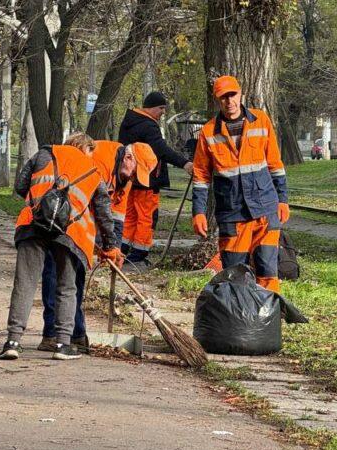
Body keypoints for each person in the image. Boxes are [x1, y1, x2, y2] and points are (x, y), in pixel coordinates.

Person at [0, 133, 122, 362]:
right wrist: (110, 246)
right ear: (85, 149)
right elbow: (104, 214)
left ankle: (13, 342)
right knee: (67, 287)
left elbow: (20, 186)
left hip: (32, 225)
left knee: (24, 284)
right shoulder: (93, 170)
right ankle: (63, 345)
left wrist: (41, 201)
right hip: (70, 232)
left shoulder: (44, 154)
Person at [191, 75, 289, 293]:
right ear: (217, 100)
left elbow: (275, 164)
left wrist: (282, 199)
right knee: (235, 275)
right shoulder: (208, 132)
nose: (229, 101)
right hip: (232, 214)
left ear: (240, 94)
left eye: (232, 95)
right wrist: (198, 211)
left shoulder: (261, 121)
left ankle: (269, 318)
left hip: (265, 209)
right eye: (223, 97)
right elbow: (200, 176)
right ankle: (240, 323)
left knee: (267, 270)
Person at [116, 91, 194, 268]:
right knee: (147, 216)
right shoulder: (148, 126)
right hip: (147, 178)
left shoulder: (129, 122)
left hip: (130, 178)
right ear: (151, 107)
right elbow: (161, 149)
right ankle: (139, 253)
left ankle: (124, 248)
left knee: (131, 214)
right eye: (161, 108)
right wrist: (185, 164)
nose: (163, 112)